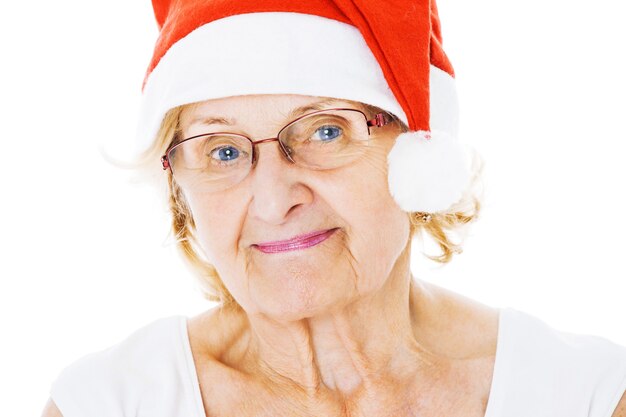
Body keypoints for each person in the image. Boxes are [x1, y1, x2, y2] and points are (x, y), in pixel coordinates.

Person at [41, 0, 626, 416]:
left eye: (325, 132)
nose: (273, 200)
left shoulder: (582, 395)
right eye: (222, 150)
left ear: (413, 154)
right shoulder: (107, 402)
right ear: (179, 191)